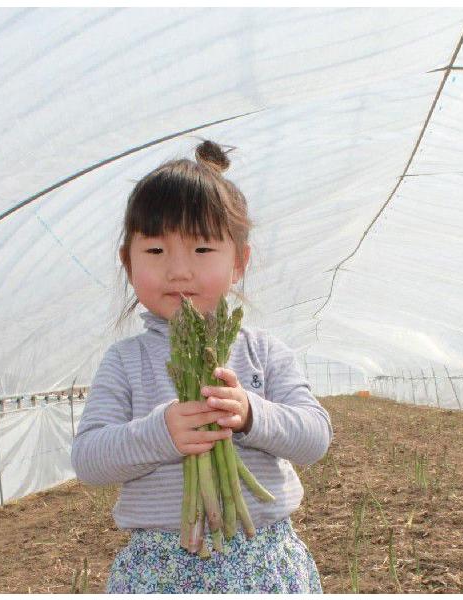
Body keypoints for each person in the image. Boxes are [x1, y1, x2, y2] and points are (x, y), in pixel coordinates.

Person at [71, 139, 333, 593]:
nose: (178, 270)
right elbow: (89, 460)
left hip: (263, 561)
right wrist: (160, 433)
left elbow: (315, 437)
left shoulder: (263, 352)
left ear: (239, 262)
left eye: (202, 250)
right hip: (160, 568)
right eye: (156, 251)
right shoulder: (125, 361)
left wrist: (250, 415)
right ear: (128, 263)